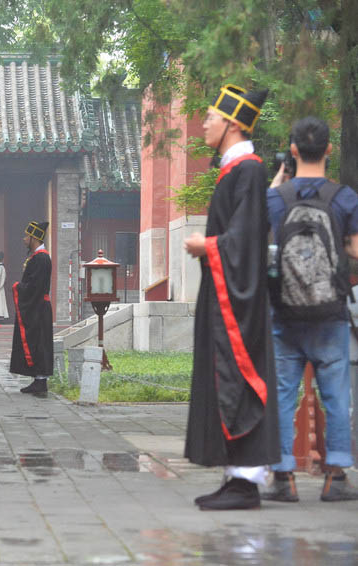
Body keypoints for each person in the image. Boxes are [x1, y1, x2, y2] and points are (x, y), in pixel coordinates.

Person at [182, 84, 279, 510]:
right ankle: (233, 476)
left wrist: (208, 246)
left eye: (211, 117)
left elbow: (246, 239)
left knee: (238, 377)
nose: (204, 124)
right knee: (223, 377)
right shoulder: (234, 170)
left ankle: (246, 482)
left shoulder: (249, 171)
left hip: (240, 302)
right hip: (224, 295)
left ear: (234, 124)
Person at [262, 116, 358, 502]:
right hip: (330, 313)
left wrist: (278, 181)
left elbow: (260, 235)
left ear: (294, 150)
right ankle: (336, 477)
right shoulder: (344, 197)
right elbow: (355, 249)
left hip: (284, 313)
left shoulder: (276, 199)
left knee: (283, 394)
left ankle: (283, 478)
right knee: (336, 395)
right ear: (329, 150)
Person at [11, 221, 53, 395]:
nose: (24, 239)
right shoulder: (38, 257)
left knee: (40, 343)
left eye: (27, 236)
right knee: (35, 342)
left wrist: (18, 287)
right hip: (37, 306)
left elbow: (35, 286)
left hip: (39, 307)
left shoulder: (41, 258)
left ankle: (41, 382)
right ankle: (37, 380)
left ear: (34, 238)